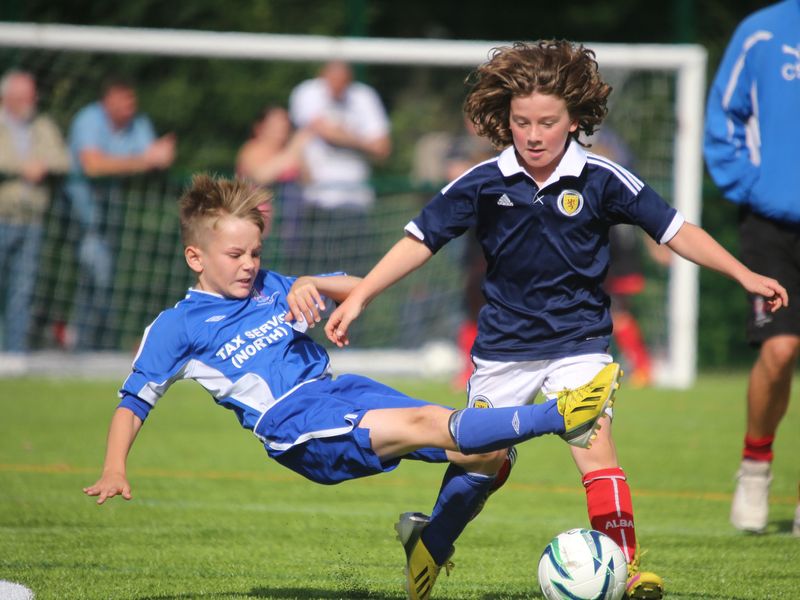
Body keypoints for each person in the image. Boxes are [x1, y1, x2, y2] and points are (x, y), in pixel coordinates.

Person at [325, 40, 788, 600]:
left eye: (548, 122)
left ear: (574, 120)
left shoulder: (602, 178)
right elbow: (419, 240)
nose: (535, 134)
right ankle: (429, 543)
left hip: (580, 344)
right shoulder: (481, 182)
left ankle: (628, 567)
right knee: (482, 460)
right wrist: (364, 294)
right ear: (506, 120)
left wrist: (743, 274)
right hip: (502, 350)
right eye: (522, 122)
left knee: (595, 445)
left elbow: (675, 229)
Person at [82, 174, 621, 600]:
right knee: (428, 423)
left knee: (490, 453)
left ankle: (428, 546)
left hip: (341, 390)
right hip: (295, 426)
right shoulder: (177, 326)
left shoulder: (272, 285)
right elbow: (133, 401)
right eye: (235, 256)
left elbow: (362, 288)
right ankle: (560, 415)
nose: (249, 265)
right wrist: (114, 465)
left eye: (255, 253)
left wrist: (313, 283)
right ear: (196, 257)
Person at [703, 0, 800, 536]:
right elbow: (724, 114)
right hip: (771, 221)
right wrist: (751, 186)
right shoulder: (763, 32)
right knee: (781, 347)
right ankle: (755, 467)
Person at [65, 77, 176, 349]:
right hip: (77, 215)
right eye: (124, 101)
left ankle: (90, 344)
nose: (130, 107)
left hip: (112, 218)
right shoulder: (88, 120)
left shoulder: (137, 123)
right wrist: (144, 160)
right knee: (93, 278)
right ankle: (84, 344)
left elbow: (156, 157)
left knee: (103, 281)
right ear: (108, 99)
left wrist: (157, 156)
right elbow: (92, 165)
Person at [287, 61, 391, 276]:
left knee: (354, 273)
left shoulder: (364, 96)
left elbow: (383, 147)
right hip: (317, 200)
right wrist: (363, 142)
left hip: (356, 201)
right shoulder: (308, 93)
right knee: (314, 272)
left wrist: (342, 135)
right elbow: (324, 131)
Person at [0, 70, 69, 352]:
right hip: (3, 217)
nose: (33, 99)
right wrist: (21, 167)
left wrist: (41, 165)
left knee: (22, 293)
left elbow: (62, 158)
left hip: (32, 222)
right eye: (27, 95)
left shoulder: (42, 126)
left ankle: (13, 357)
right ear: (9, 97)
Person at [236, 105, 309, 250]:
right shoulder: (251, 149)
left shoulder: (291, 153)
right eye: (275, 124)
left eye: (284, 124)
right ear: (260, 127)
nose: (281, 128)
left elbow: (308, 181)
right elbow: (261, 176)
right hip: (257, 227)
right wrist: (293, 149)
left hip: (289, 230)